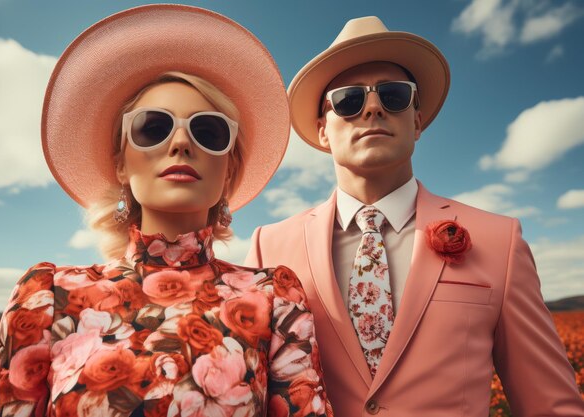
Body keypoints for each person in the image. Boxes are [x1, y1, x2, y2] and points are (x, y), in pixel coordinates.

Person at [0, 5, 333, 417]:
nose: (181, 143)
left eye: (208, 131)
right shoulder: (47, 296)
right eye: (153, 127)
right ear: (121, 163)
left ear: (228, 170)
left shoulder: (274, 298)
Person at [245, 16, 584, 416]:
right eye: (349, 100)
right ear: (323, 130)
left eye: (393, 96)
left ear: (417, 120)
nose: (372, 108)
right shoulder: (269, 248)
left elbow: (550, 406)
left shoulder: (500, 241)